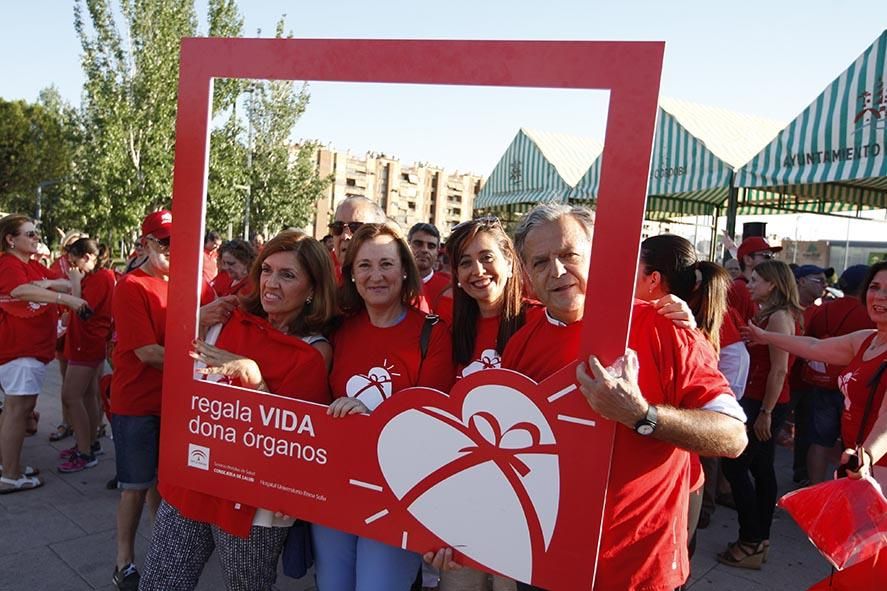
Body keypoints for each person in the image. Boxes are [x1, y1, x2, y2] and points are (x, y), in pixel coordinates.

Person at [428, 204, 745, 591]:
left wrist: (642, 416)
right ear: (526, 273)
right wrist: (455, 529)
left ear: (600, 255)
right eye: (541, 262)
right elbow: (504, 464)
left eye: (569, 255)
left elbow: (733, 436)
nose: (557, 271)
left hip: (638, 570)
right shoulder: (521, 347)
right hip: (547, 565)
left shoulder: (664, 328)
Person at [140, 230, 337, 591]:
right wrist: (194, 319)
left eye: (287, 275)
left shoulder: (311, 354)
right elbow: (182, 374)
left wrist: (254, 378)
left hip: (254, 503)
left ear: (312, 290)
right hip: (195, 477)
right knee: (159, 582)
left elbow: (291, 443)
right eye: (267, 270)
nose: (271, 283)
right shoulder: (226, 315)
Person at [315, 222, 454, 591]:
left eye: (386, 264)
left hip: (398, 495)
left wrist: (370, 418)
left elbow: (433, 423)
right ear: (351, 274)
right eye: (364, 265)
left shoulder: (432, 332)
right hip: (337, 490)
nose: (375, 276)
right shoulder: (339, 330)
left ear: (404, 269)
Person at [110, 210, 236, 590]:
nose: (175, 250)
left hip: (179, 401)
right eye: (165, 242)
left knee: (165, 484)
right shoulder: (131, 285)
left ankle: (161, 549)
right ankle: (124, 562)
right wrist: (206, 361)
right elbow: (149, 352)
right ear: (147, 243)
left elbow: (216, 331)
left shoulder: (196, 283)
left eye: (183, 242)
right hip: (137, 400)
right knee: (135, 485)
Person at [742, 260, 887, 487]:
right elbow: (813, 347)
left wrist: (866, 456)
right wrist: (766, 336)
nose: (879, 296)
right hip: (859, 463)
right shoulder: (867, 339)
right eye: (874, 287)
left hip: (877, 466)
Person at [635, 233, 734, 559]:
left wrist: (643, 416)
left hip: (672, 485)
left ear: (653, 279)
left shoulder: (678, 332)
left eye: (635, 265)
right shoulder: (670, 323)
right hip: (668, 483)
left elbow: (731, 432)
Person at [719, 259, 803, 569]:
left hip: (764, 401)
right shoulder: (770, 313)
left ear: (774, 284)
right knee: (761, 468)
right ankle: (758, 537)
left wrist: (766, 412)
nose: (749, 284)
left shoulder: (779, 316)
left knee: (737, 466)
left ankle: (751, 539)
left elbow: (779, 370)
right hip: (763, 400)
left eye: (756, 280)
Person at [0, 215, 88, 493]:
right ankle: (10, 475)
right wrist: (64, 297)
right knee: (17, 410)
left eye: (36, 234)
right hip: (19, 351)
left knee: (18, 410)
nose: (36, 238)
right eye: (30, 234)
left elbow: (69, 281)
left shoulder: (32, 266)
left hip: (32, 350)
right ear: (11, 240)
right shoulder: (9, 264)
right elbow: (20, 290)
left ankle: (9, 465)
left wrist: (51, 286)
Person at [800, 265, 874, 484]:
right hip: (859, 387)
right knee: (857, 445)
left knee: (820, 440)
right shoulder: (871, 313)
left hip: (824, 384)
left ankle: (817, 488)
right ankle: (851, 488)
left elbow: (809, 340)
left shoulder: (824, 309)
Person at [57, 238, 117, 473]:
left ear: (89, 257)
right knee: (88, 396)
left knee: (71, 396)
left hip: (88, 343)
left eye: (76, 262)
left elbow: (84, 309)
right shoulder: (96, 276)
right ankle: (90, 443)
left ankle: (85, 451)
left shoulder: (102, 277)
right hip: (86, 342)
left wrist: (74, 284)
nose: (74, 268)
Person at [328, 196, 387, 278]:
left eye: (355, 227)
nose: (345, 236)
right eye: (338, 227)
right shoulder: (322, 282)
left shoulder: (390, 285)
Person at [731, 236, 782, 325]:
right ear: (748, 260)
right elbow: (738, 329)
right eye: (767, 256)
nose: (772, 260)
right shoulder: (740, 288)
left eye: (773, 256)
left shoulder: (758, 289)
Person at [408, 222, 450, 312]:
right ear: (408, 246)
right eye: (418, 244)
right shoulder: (393, 284)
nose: (424, 250)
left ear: (437, 252)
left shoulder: (448, 289)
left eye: (431, 246)